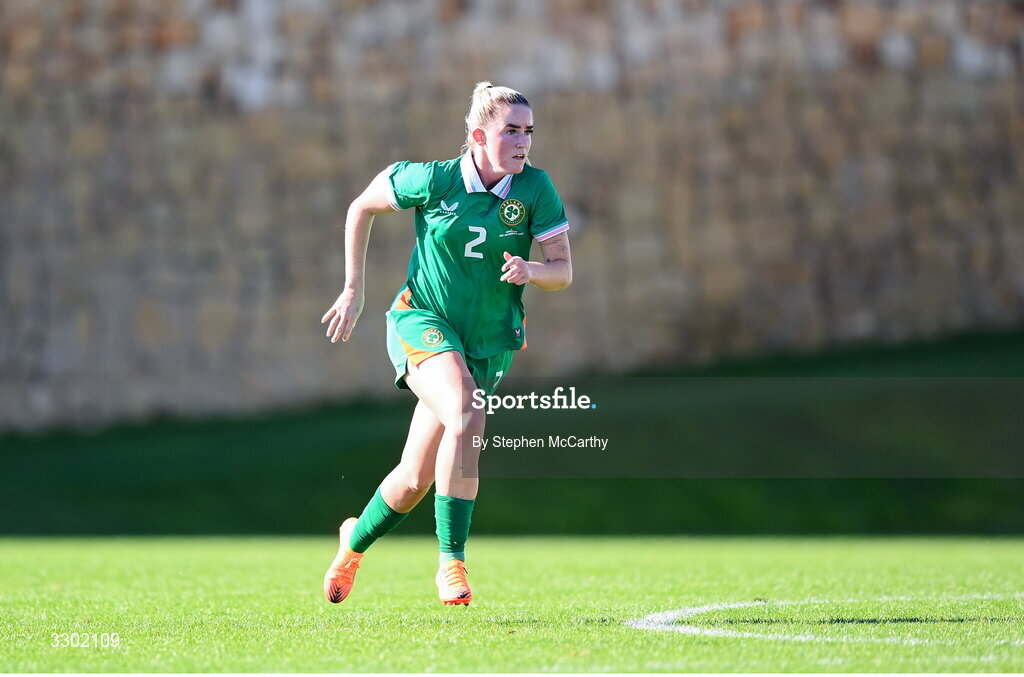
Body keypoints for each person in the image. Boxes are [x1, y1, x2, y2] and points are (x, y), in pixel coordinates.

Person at [320, 81, 572, 606]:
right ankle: (451, 563)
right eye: (511, 131)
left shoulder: (536, 189)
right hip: (423, 320)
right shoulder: (432, 179)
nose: (523, 141)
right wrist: (353, 289)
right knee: (467, 413)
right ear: (479, 135)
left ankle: (352, 544)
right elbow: (359, 208)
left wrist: (532, 270)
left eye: (528, 131)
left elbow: (563, 272)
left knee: (413, 480)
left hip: (487, 343)